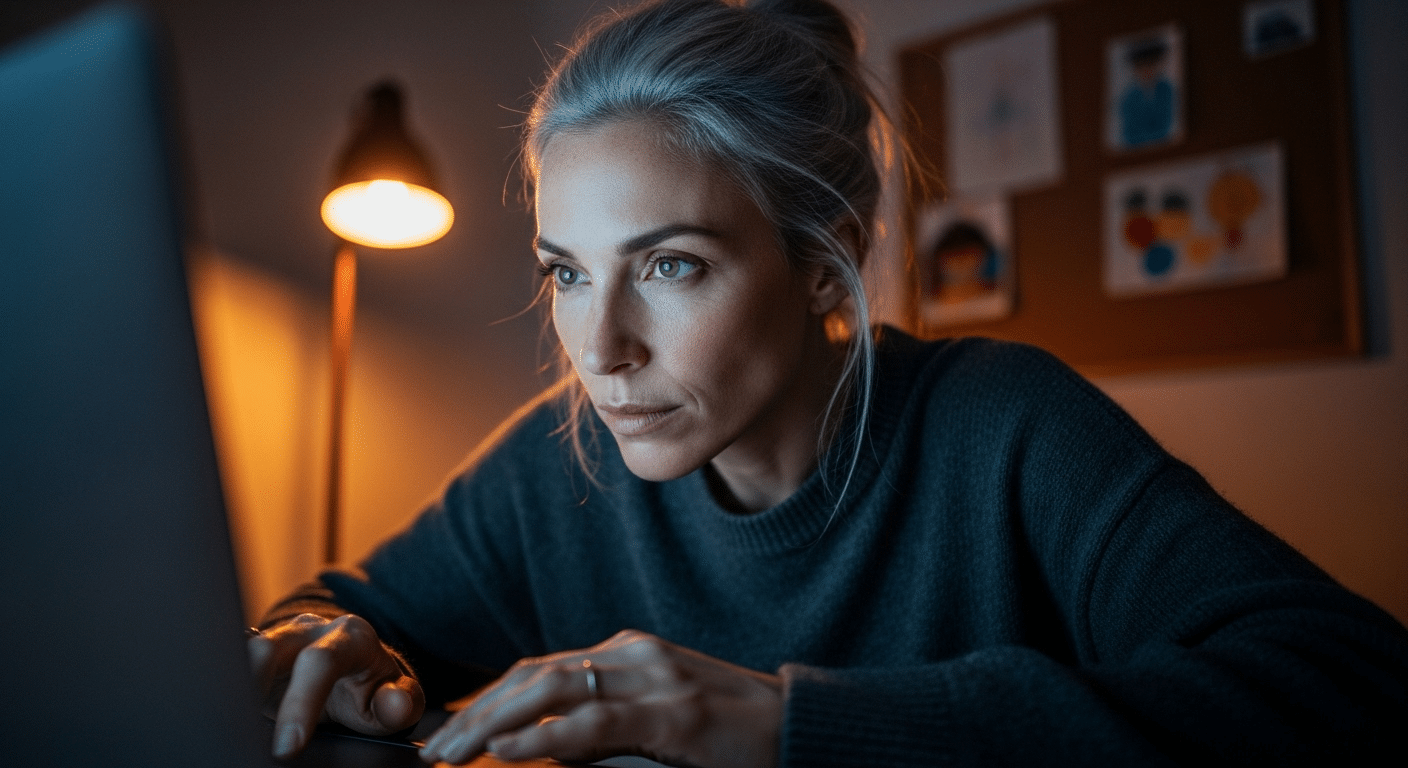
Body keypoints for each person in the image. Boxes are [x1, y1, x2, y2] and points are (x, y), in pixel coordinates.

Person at [248, 1, 1408, 766]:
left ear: (823, 260)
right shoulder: (566, 458)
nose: (599, 348)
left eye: (670, 265)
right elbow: (334, 609)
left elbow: (1346, 681)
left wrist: (796, 726)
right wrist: (315, 640)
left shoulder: (999, 427)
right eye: (565, 271)